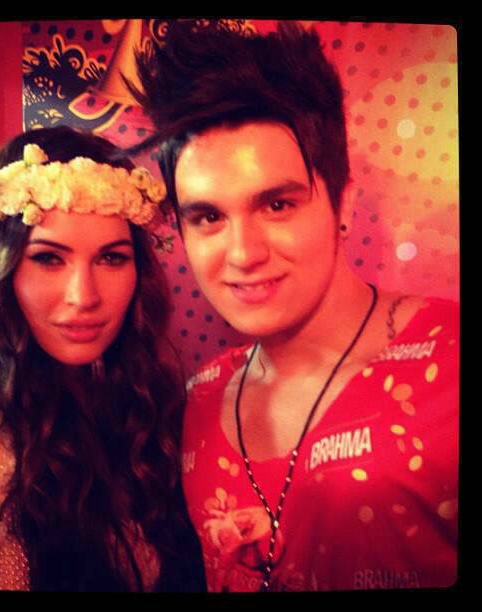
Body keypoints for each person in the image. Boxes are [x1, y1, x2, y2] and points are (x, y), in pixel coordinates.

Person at [126, 20, 459, 591]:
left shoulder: (450, 364)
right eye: (208, 217)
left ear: (342, 204)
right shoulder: (200, 397)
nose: (243, 253)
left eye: (277, 205)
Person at [0, 126, 205, 592]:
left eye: (111, 258)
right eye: (48, 259)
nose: (83, 296)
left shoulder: (148, 404)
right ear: (0, 270)